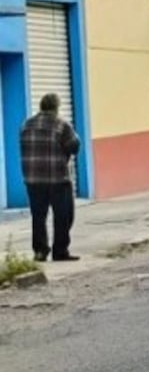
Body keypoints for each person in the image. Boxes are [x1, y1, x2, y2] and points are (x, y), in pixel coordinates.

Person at [21, 93, 81, 263]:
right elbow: (75, 146)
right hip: (58, 178)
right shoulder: (61, 125)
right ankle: (60, 251)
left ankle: (40, 251)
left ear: (41, 106)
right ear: (56, 107)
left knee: (38, 216)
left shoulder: (26, 125)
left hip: (33, 179)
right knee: (63, 215)